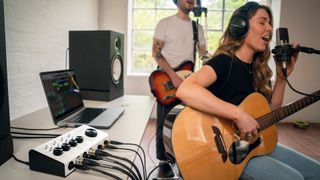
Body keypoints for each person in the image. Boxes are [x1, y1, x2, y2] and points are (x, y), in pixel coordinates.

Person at [176, 1, 320, 180]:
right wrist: (239, 115)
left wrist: (282, 80)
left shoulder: (257, 69)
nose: (269, 28)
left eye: (270, 24)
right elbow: (185, 89)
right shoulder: (223, 62)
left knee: (316, 171)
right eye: (262, 22)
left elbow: (270, 113)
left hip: (252, 144)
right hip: (225, 154)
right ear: (240, 25)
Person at [152, 0, 206, 178]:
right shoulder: (165, 24)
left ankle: (183, 160)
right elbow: (156, 54)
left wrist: (216, 59)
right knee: (163, 124)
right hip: (167, 82)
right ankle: (163, 163)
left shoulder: (197, 28)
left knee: (186, 124)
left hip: (188, 83)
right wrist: (173, 77)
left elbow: (203, 54)